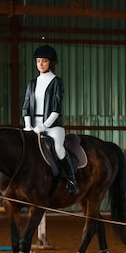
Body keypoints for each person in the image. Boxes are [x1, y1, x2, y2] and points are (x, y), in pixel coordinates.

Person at [22, 44, 79, 195]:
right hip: (33, 126)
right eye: (38, 61)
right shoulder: (32, 84)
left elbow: (56, 109)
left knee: (58, 148)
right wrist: (28, 125)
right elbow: (26, 106)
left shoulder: (57, 82)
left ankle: (72, 180)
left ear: (51, 63)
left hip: (54, 126)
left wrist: (44, 126)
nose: (40, 64)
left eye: (44, 61)